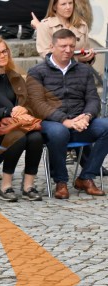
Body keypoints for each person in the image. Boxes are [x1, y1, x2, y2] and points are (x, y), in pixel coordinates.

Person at [27, 28, 107, 198]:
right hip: (52, 123)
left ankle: (86, 177)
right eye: (63, 46)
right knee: (59, 131)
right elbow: (37, 104)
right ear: (52, 46)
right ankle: (61, 181)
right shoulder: (37, 72)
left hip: (81, 121)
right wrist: (65, 120)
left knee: (106, 127)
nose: (68, 50)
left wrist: (87, 116)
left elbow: (93, 99)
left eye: (71, 46)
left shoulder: (84, 70)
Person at [0, 37, 44, 202]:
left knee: (36, 137)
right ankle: (5, 186)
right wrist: (7, 111)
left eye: (4, 51)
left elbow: (28, 104)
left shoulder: (15, 76)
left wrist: (23, 109)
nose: (1, 55)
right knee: (17, 138)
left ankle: (28, 186)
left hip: (18, 124)